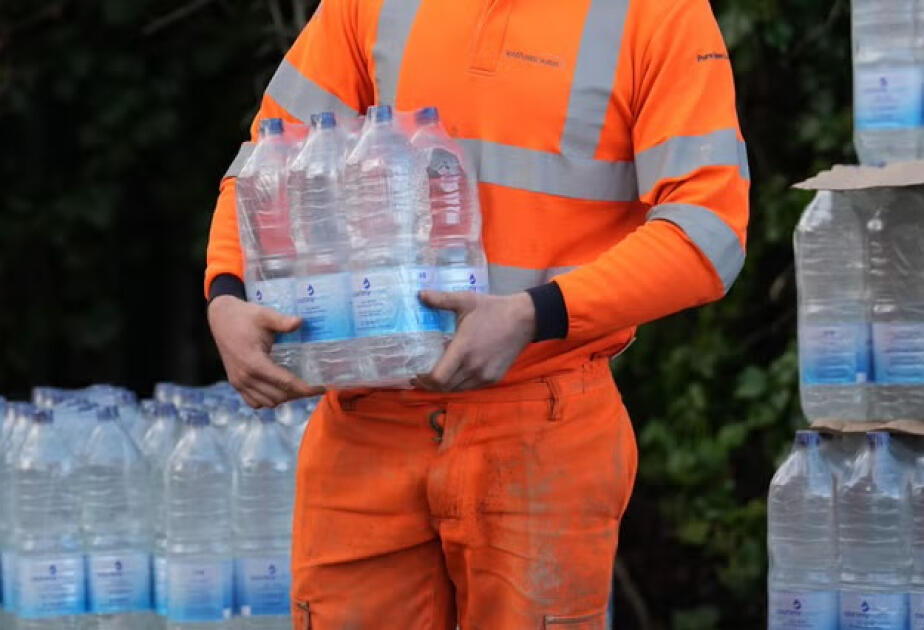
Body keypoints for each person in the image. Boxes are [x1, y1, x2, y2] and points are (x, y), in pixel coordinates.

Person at [205, 0, 749, 627]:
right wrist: (228, 293)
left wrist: (534, 315)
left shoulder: (659, 14)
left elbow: (708, 234)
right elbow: (268, 159)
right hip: (367, 418)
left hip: (543, 425)